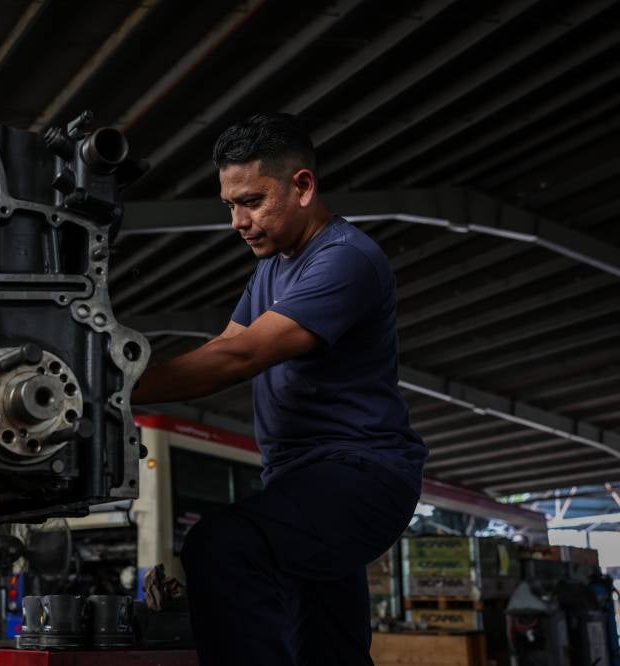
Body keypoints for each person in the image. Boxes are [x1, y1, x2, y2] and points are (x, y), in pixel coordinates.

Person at [131, 113, 427, 665]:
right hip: (300, 480)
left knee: (221, 547)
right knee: (325, 650)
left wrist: (113, 389)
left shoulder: (345, 258)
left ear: (303, 186)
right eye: (230, 206)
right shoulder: (270, 270)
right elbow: (222, 345)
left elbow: (239, 357)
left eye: (251, 201)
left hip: (360, 476)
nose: (238, 222)